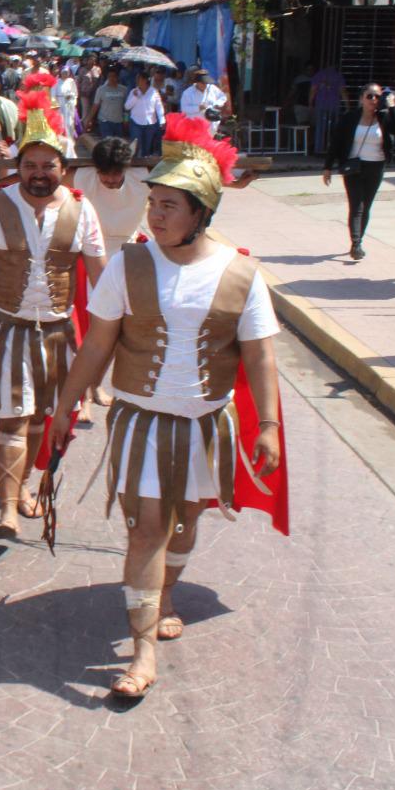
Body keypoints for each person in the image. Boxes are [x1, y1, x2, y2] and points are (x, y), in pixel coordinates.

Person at [51, 116, 283, 699]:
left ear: (201, 213)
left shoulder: (242, 275)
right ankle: (143, 649)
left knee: (187, 521)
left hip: (208, 424)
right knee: (146, 530)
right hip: (141, 423)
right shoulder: (130, 267)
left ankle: (168, 591)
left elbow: (259, 357)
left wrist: (271, 427)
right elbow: (97, 343)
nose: (154, 215)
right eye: (152, 202)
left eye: (169, 206)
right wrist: (65, 405)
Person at [0, 85, 106, 539]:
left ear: (63, 168)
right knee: (10, 419)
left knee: (41, 419)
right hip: (7, 331)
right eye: (30, 165)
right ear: (17, 166)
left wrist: (117, 326)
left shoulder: (82, 211)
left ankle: (22, 488)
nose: (39, 174)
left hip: (59, 333)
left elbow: (102, 276)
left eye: (48, 166)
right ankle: (6, 509)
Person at [71, 136, 149, 406]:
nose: (112, 182)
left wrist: (232, 180)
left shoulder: (144, 177)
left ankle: (94, 385)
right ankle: (81, 393)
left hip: (129, 259)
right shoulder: (83, 177)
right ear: (96, 170)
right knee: (90, 330)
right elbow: (40, 177)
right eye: (106, 176)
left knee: (118, 332)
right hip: (91, 257)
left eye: (117, 176)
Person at [321, 83, 395, 261]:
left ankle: (359, 239)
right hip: (353, 167)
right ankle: (356, 243)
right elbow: (336, 142)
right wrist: (328, 167)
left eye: (377, 97)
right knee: (356, 206)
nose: (373, 100)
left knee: (367, 206)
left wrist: (392, 107)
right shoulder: (350, 118)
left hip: (376, 166)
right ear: (361, 98)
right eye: (369, 96)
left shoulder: (383, 117)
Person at [123, 69, 165, 157]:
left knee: (147, 146)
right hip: (136, 122)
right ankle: (133, 163)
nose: (137, 81)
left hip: (150, 123)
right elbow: (127, 107)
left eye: (140, 79)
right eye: (137, 79)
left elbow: (159, 107)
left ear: (146, 80)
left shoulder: (154, 92)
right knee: (135, 144)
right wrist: (135, 97)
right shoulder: (133, 91)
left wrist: (162, 120)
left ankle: (144, 164)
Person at [86, 65, 131, 141]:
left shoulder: (124, 90)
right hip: (105, 121)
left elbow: (126, 108)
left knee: (117, 146)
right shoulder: (101, 90)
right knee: (107, 145)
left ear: (117, 77)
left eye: (114, 76)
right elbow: (95, 105)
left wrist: (126, 120)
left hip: (118, 122)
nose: (112, 78)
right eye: (109, 76)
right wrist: (89, 119)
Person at [310, 63, 346, 154]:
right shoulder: (338, 76)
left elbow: (313, 90)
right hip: (334, 105)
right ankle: (333, 149)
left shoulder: (319, 75)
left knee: (320, 128)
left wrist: (310, 103)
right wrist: (347, 105)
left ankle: (318, 149)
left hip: (321, 104)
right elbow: (343, 91)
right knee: (334, 128)